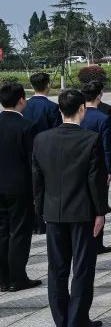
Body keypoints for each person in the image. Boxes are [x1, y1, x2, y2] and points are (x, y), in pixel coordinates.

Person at [32, 89, 108, 327]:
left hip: (53, 212)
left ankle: (62, 319)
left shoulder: (41, 139)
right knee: (83, 267)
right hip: (83, 212)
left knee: (57, 268)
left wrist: (40, 209)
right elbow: (95, 180)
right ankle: (78, 319)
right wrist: (100, 212)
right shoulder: (90, 139)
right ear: (82, 109)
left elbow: (37, 179)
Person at [0, 82, 39, 292]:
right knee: (19, 233)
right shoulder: (26, 127)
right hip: (19, 187)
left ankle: (2, 278)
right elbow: (31, 162)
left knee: (2, 232)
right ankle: (17, 277)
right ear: (21, 100)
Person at [79, 81, 111, 255]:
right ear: (99, 96)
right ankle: (97, 242)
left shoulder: (78, 115)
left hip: (78, 165)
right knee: (98, 204)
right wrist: (110, 169)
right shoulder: (103, 118)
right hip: (98, 166)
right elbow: (107, 146)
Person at [23, 72, 61, 137]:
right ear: (48, 85)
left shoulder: (23, 105)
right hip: (46, 144)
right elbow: (57, 131)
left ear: (32, 86)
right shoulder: (53, 107)